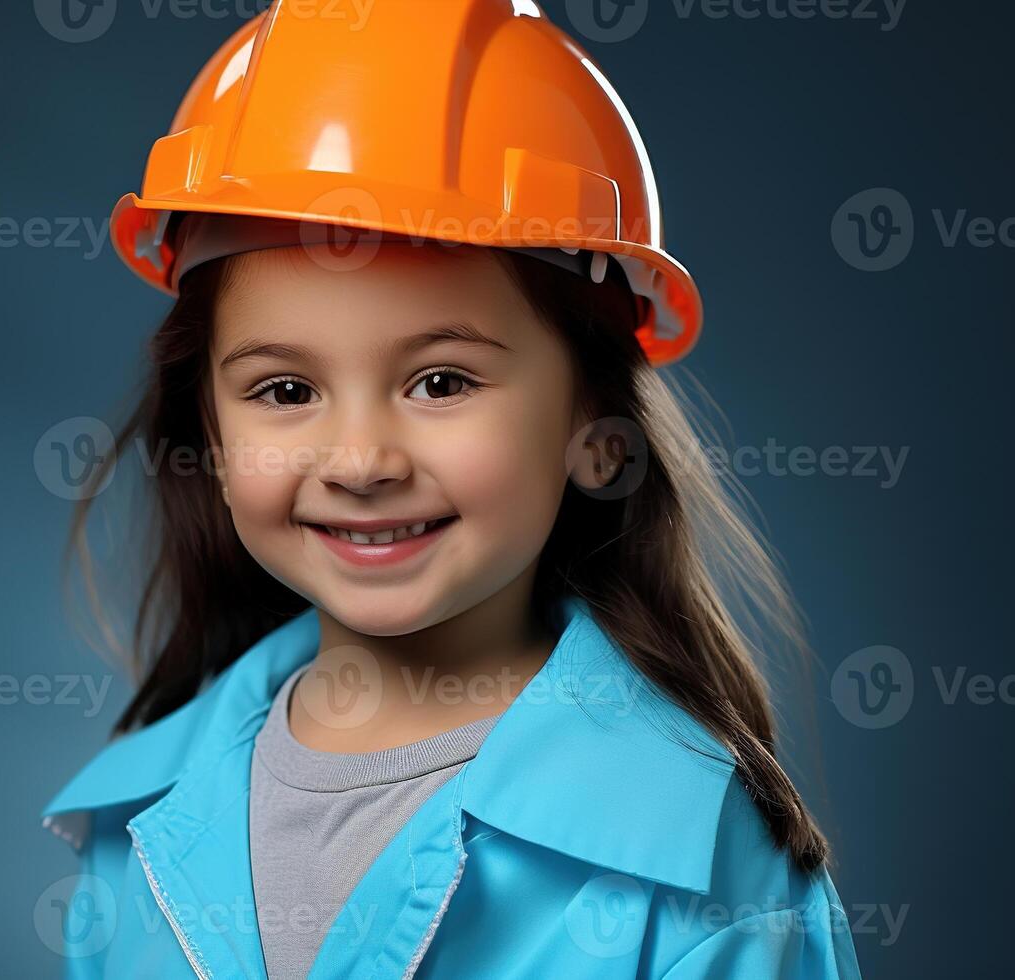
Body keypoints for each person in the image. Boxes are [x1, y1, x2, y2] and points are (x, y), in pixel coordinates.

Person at [42, 2, 862, 976]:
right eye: (286, 389)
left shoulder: (702, 869)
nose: (359, 460)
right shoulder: (133, 826)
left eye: (442, 381)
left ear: (596, 430)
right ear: (212, 438)